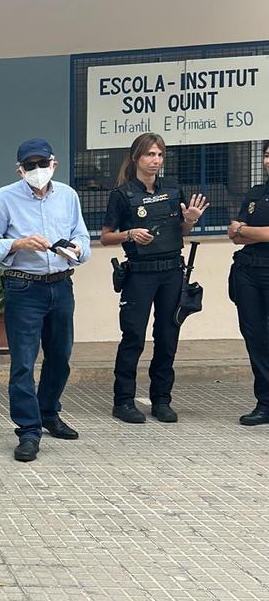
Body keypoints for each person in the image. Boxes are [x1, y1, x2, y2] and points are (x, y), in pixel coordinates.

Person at [0, 139, 92, 462]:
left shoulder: (68, 197)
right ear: (20, 170)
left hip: (60, 284)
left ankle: (48, 411)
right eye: (30, 165)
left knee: (60, 356)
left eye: (42, 163)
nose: (37, 170)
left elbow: (83, 236)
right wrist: (18, 244)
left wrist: (76, 249)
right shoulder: (4, 199)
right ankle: (28, 430)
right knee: (23, 363)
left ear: (53, 164)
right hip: (23, 287)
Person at [100, 133, 208, 424]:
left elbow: (182, 233)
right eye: (150, 154)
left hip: (172, 272)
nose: (155, 161)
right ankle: (123, 401)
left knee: (167, 336)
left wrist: (191, 220)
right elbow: (106, 236)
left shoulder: (173, 189)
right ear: (136, 157)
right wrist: (130, 234)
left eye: (160, 155)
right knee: (133, 336)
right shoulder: (123, 194)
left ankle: (162, 400)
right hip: (140, 274)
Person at [228, 139, 269, 426]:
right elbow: (234, 234)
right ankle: (265, 402)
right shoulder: (255, 193)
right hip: (248, 271)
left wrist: (245, 230)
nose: (268, 160)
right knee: (254, 336)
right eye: (267, 155)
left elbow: (243, 230)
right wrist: (247, 231)